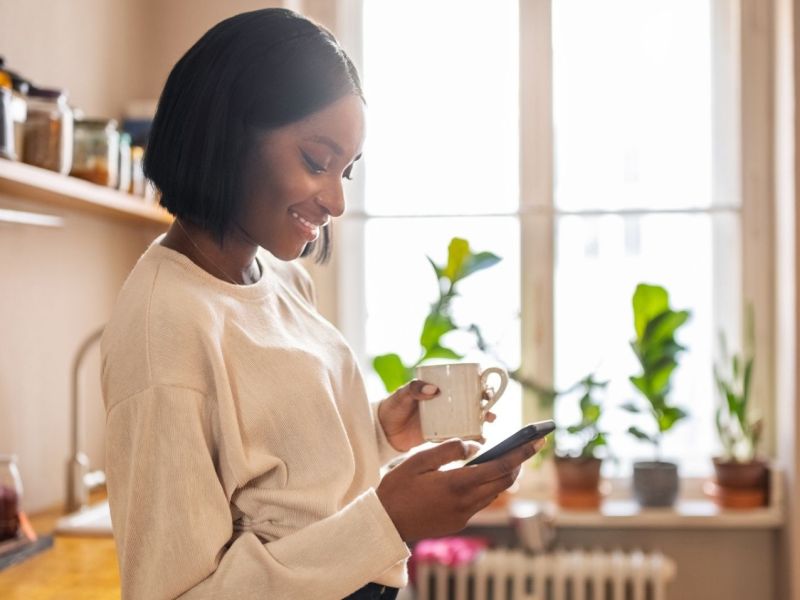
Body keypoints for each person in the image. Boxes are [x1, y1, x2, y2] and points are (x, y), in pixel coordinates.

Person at [100, 8, 545, 600]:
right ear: (228, 133)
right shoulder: (166, 330)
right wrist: (390, 521)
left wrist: (379, 431)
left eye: (347, 171)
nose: (335, 200)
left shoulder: (281, 278)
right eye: (316, 160)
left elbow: (285, 488)